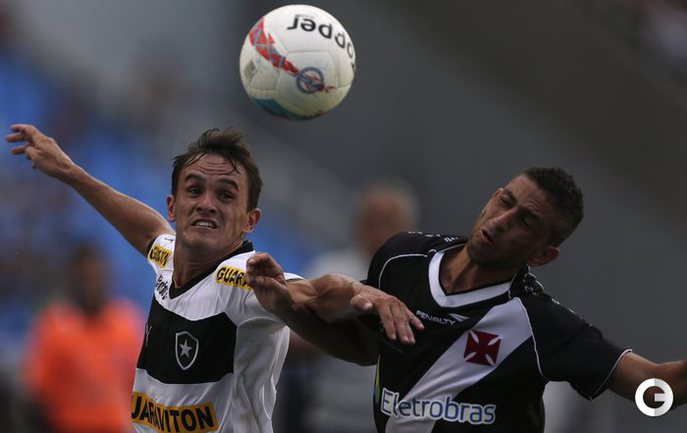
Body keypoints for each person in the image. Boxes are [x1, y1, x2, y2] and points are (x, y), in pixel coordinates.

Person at [6, 123, 416, 433]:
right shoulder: (168, 258)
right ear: (173, 206)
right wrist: (69, 171)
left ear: (250, 220)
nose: (206, 204)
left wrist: (363, 292)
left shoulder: (245, 280)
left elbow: (315, 292)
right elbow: (146, 230)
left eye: (225, 195)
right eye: (194, 190)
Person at [246, 166, 687, 432]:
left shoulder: (540, 324)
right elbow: (364, 350)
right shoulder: (403, 259)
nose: (501, 220)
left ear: (543, 254)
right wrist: (286, 307)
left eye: (525, 221)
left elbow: (656, 390)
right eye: (505, 201)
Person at [287, 182, 419, 433]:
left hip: (399, 421)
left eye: (387, 222)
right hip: (333, 415)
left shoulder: (421, 278)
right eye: (371, 221)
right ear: (357, 224)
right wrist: (330, 327)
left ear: (408, 227)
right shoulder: (329, 271)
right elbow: (290, 341)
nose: (378, 230)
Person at [23, 243, 144, 433]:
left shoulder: (128, 322)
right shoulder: (54, 327)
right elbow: (38, 394)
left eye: (96, 277)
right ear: (72, 281)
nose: (91, 286)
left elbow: (142, 389)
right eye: (85, 278)